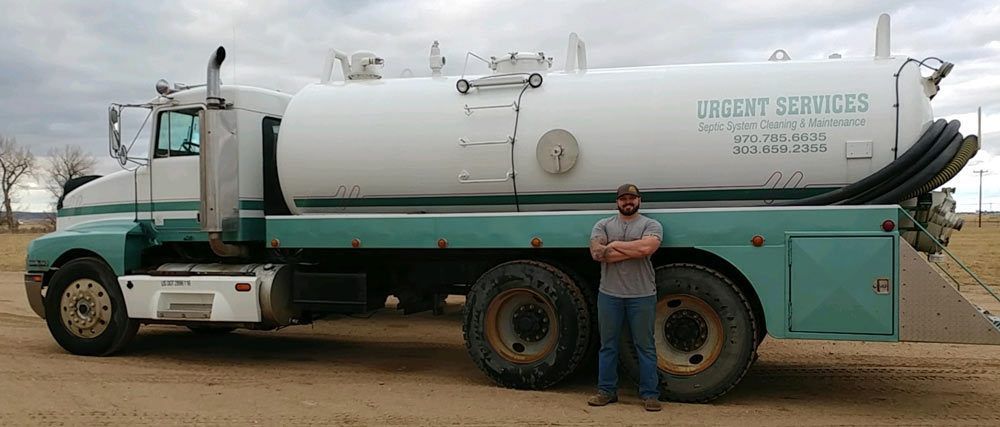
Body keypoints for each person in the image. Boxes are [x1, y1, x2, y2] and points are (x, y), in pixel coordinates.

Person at [587, 183, 663, 412]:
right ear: (617, 202)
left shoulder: (651, 224)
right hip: (609, 295)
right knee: (608, 346)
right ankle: (606, 391)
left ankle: (650, 394)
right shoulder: (603, 224)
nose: (627, 202)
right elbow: (597, 253)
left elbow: (646, 250)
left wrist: (615, 245)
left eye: (632, 198)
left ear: (639, 200)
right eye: (623, 199)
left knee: (645, 346)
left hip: (642, 295)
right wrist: (631, 250)